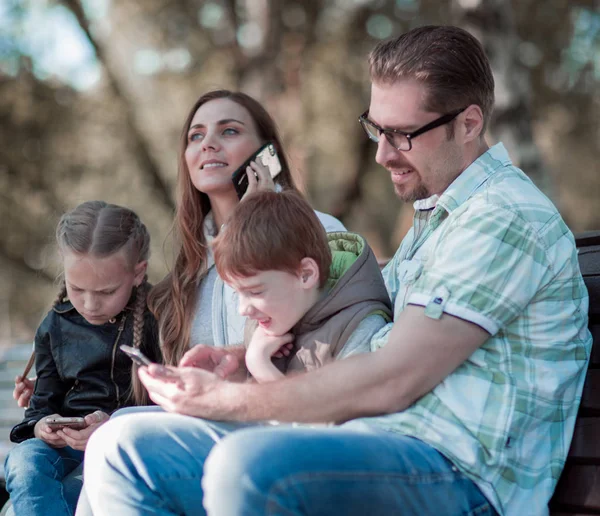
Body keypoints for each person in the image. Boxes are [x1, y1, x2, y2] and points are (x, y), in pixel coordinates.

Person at [81, 25, 592, 516]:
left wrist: (231, 399)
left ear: (470, 123)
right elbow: (366, 342)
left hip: (456, 475)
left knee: (250, 467)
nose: (382, 153)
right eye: (375, 128)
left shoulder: (504, 217)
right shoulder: (436, 219)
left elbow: (394, 377)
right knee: (122, 446)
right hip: (366, 443)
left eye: (403, 134)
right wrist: (243, 359)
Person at [146, 89, 345, 370]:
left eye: (229, 131)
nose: (208, 144)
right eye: (196, 135)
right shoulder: (192, 264)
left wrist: (259, 226)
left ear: (267, 153)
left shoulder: (322, 230)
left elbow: (333, 344)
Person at [4, 200, 161, 516]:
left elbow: (172, 406)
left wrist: (111, 427)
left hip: (131, 445)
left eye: (105, 292)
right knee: (22, 462)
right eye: (78, 289)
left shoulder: (160, 318)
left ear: (138, 273)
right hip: (67, 449)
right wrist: (42, 427)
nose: (90, 304)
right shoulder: (54, 327)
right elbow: (41, 406)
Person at [211, 189, 391, 383]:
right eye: (237, 292)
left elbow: (339, 409)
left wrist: (261, 367)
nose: (242, 310)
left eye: (255, 291)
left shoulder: (358, 329)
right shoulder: (270, 320)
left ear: (306, 274)